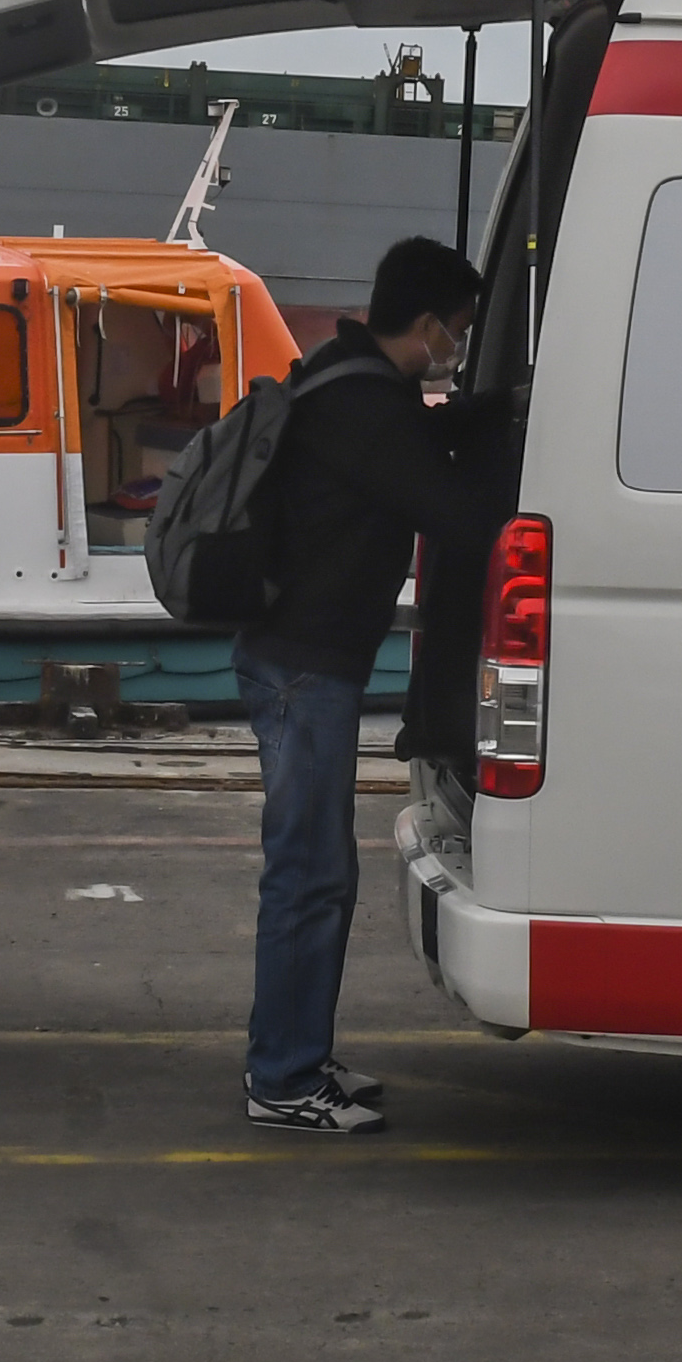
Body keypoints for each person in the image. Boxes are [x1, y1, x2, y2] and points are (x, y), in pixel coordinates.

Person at [238, 235, 493, 1136]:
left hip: (302, 659)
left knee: (320, 873)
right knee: (308, 875)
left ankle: (300, 1051)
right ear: (427, 325)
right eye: (458, 332)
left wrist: (482, 412)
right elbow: (457, 515)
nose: (456, 347)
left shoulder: (348, 378)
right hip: (305, 668)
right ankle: (282, 1077)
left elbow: (418, 441)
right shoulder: (366, 408)